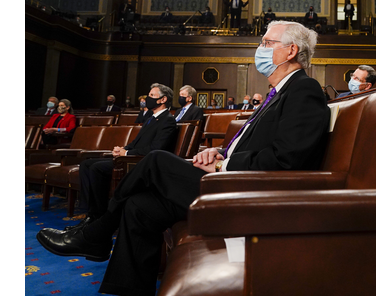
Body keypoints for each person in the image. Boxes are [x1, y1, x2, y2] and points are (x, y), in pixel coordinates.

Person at [37, 20, 330, 296]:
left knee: (155, 160)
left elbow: (287, 159)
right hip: (231, 178)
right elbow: (258, 144)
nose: (260, 49)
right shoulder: (278, 93)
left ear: (290, 51)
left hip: (250, 193)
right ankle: (127, 286)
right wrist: (220, 152)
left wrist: (222, 164)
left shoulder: (304, 90)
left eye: (267, 42)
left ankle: (97, 232)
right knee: (140, 207)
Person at [69, 83, 178, 230]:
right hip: (131, 157)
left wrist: (126, 153)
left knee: (96, 168)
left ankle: (99, 217)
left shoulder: (167, 120)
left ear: (162, 100)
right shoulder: (151, 118)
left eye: (152, 95)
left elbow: (156, 149)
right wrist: (122, 149)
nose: (147, 98)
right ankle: (91, 213)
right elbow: (136, 143)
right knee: (86, 164)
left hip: (141, 163)